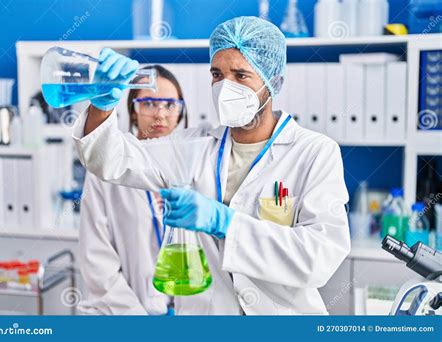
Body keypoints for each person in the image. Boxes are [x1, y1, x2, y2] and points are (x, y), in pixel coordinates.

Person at [73, 16, 351, 315]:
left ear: (274, 82)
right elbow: (111, 159)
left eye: (241, 75)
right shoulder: (194, 145)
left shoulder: (314, 152)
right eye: (217, 74)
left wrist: (226, 223)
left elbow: (319, 257)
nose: (224, 87)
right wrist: (102, 105)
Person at [78, 65, 187, 315]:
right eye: (149, 103)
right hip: (123, 313)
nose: (160, 114)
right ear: (134, 110)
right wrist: (135, 316)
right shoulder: (107, 167)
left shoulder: (192, 166)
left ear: (180, 111)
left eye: (170, 104)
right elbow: (97, 260)